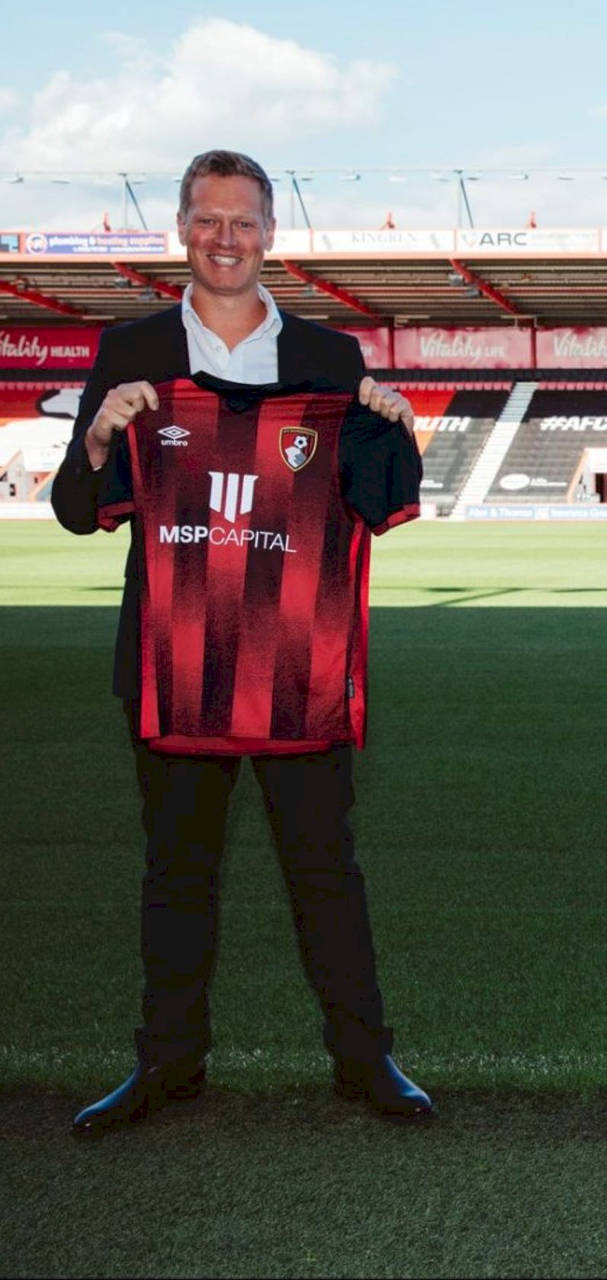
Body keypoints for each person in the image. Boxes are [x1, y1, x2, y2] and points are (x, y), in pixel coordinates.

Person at [51, 149, 431, 1133]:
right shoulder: (132, 349)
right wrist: (101, 440)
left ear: (271, 232)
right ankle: (165, 1066)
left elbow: (382, 499)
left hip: (297, 667)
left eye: (245, 220)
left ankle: (366, 1059)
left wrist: (393, 429)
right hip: (172, 667)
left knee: (326, 869)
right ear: (183, 226)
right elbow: (73, 504)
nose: (226, 238)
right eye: (208, 219)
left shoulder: (328, 360)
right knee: (176, 874)